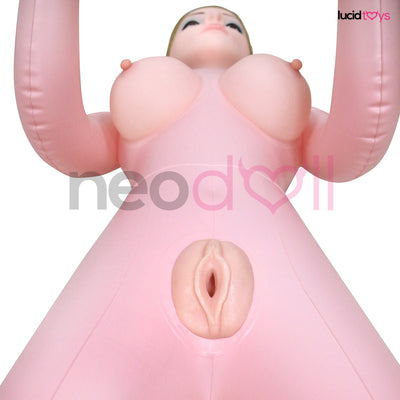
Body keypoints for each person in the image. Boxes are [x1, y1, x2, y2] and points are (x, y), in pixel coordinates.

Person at [1, 2, 400, 399]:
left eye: (234, 25)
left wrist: (367, 12)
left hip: (279, 291)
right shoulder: (122, 126)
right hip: (137, 293)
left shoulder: (299, 117)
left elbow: (354, 141)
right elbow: (65, 138)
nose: (213, 20)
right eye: (191, 22)